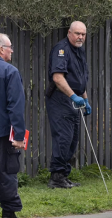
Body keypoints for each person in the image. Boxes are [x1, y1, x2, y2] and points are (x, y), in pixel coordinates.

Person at [46, 21, 91, 189]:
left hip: (74, 98)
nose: (80, 37)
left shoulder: (80, 51)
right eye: (77, 33)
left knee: (72, 139)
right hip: (60, 98)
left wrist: (85, 99)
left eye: (83, 34)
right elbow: (58, 78)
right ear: (69, 33)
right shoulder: (61, 49)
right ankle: (56, 177)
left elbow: (80, 79)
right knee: (63, 138)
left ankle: (64, 175)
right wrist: (74, 96)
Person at [0, 33, 26, 218]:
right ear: (1, 49)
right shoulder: (9, 71)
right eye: (10, 46)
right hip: (4, 134)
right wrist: (19, 136)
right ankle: (8, 215)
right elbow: (16, 106)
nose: (12, 50)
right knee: (8, 173)